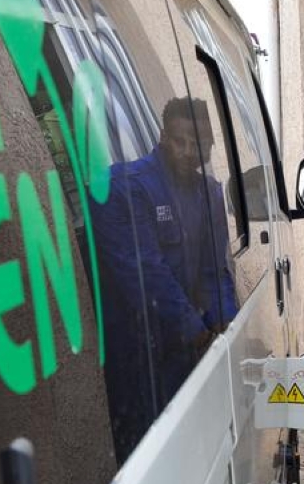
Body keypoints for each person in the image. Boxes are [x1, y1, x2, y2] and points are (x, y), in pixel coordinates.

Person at [92, 97, 238, 462]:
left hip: (189, 350)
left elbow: (213, 269)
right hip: (136, 356)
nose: (191, 152)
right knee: (145, 458)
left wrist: (227, 326)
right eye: (181, 141)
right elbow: (144, 271)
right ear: (162, 137)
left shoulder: (211, 193)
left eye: (201, 145)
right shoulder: (124, 187)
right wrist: (199, 331)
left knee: (192, 454)